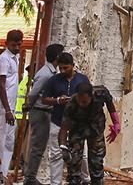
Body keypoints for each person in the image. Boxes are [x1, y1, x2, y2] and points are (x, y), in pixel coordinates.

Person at [41, 53, 90, 185]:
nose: (63, 71)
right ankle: (55, 183)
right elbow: (44, 99)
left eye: (66, 68)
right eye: (61, 68)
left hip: (77, 123)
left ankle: (86, 180)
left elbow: (89, 99)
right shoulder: (54, 80)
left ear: (73, 66)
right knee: (56, 154)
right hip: (58, 121)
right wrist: (57, 100)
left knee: (82, 155)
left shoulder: (82, 79)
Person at [58, 83, 121, 185]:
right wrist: (63, 146)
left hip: (95, 128)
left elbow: (110, 105)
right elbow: (64, 127)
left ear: (91, 96)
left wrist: (116, 123)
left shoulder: (101, 93)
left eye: (84, 101)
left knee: (96, 162)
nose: (81, 104)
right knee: (74, 163)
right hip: (77, 130)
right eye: (79, 100)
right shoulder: (72, 103)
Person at [23, 44, 65, 185]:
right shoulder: (45, 74)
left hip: (45, 112)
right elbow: (34, 93)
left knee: (39, 147)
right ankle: (29, 178)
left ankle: (30, 176)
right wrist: (29, 105)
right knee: (37, 147)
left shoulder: (51, 73)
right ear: (57, 57)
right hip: (40, 112)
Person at [0, 29, 23, 180]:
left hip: (11, 106)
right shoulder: (3, 59)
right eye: (14, 45)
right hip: (2, 106)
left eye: (18, 45)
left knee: (8, 140)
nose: (16, 47)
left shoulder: (16, 57)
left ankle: (4, 172)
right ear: (7, 43)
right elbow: (2, 85)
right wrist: (7, 109)